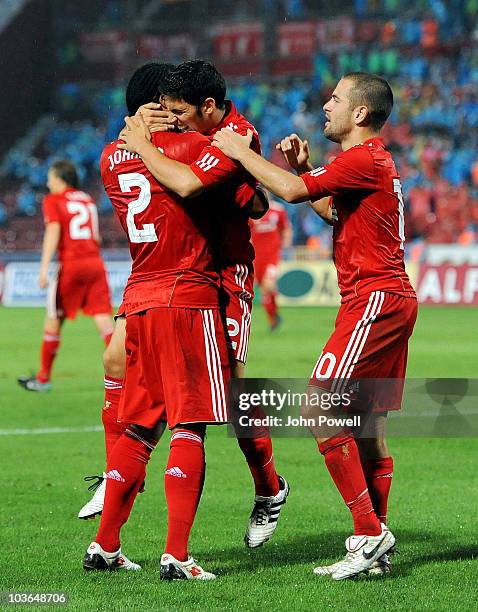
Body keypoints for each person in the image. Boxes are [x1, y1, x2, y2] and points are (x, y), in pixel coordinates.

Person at [211, 72, 417, 580]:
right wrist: (303, 167)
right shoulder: (369, 162)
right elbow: (331, 213)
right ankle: (377, 548)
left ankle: (369, 534)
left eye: (336, 98)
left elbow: (288, 190)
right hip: (386, 298)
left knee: (320, 406)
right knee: (367, 427)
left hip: (373, 299)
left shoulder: (364, 157)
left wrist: (240, 151)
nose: (326, 105)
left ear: (361, 113)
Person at [93, 60, 289, 549]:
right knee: (119, 360)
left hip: (225, 272)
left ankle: (269, 488)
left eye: (177, 111)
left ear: (206, 107)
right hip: (172, 272)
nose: (172, 119)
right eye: (163, 110)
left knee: (234, 388)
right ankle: (114, 472)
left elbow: (254, 203)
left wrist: (139, 143)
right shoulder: (182, 138)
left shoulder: (236, 135)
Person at [84, 71, 232, 580]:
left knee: (142, 426)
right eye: (172, 100)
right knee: (189, 424)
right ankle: (177, 555)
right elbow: (240, 200)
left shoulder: (109, 157)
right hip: (188, 296)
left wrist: (139, 139)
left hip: (139, 300)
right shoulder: (192, 145)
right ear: (159, 106)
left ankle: (105, 545)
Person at [18, 160, 113, 392]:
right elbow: (97, 237)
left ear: (60, 178)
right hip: (95, 263)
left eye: (50, 177)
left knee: (53, 319)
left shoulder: (54, 200)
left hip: (71, 265)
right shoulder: (87, 199)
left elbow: (53, 231)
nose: (48, 182)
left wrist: (43, 269)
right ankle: (127, 373)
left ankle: (43, 379)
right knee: (103, 319)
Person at [250, 198, 292, 330]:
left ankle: (274, 317)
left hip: (272, 256)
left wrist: (286, 243)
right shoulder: (251, 211)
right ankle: (273, 317)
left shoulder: (278, 209)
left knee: (268, 285)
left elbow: (286, 228)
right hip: (257, 257)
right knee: (264, 290)